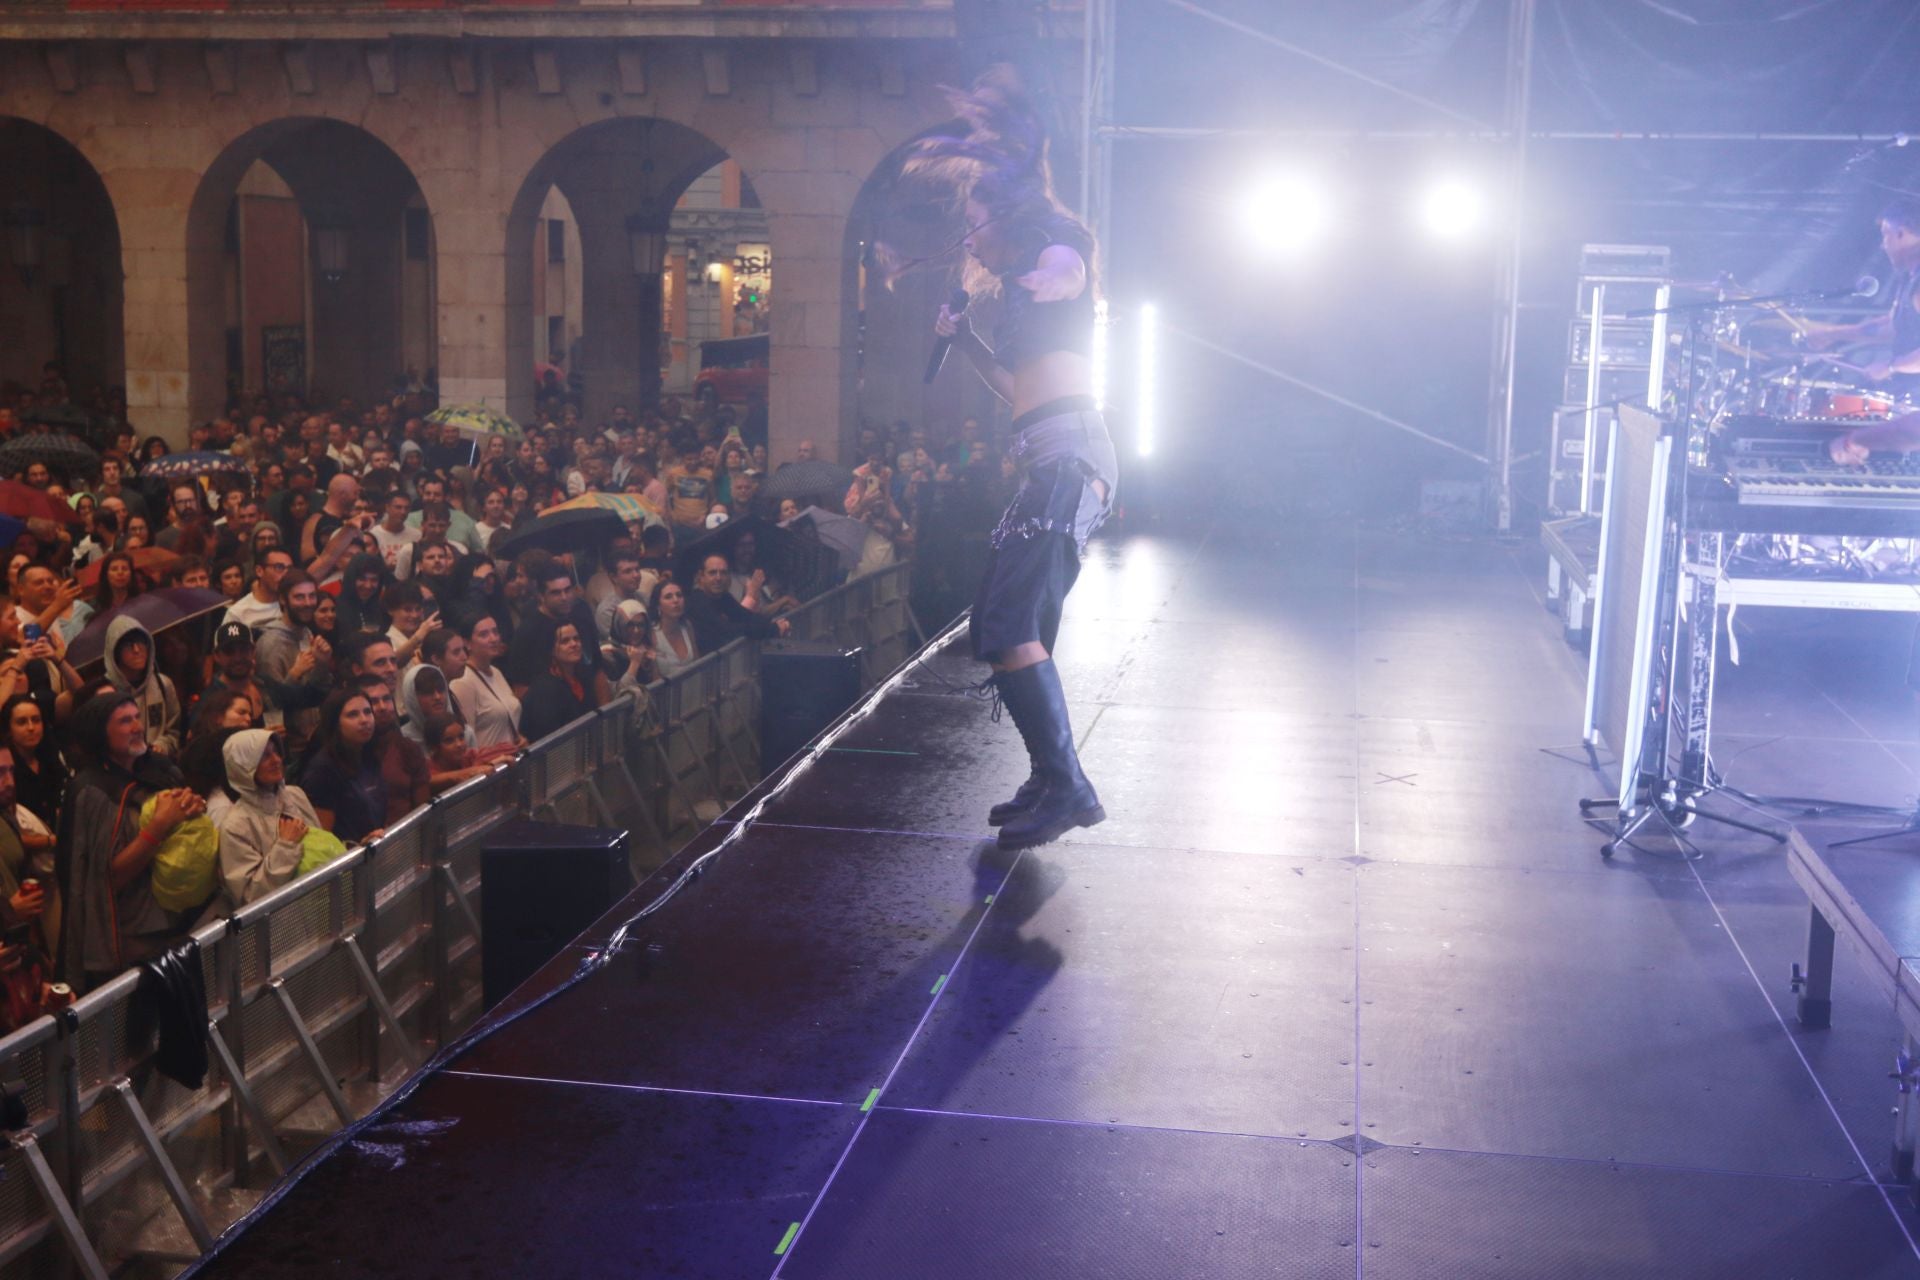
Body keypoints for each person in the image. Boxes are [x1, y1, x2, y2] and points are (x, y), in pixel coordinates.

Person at [917, 64, 1116, 849]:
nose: (970, 233)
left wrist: (1042, 277)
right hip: (1048, 456)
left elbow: (1065, 274)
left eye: (975, 216)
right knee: (1007, 621)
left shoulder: (1060, 247)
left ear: (1002, 212)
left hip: (1071, 457)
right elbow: (1015, 387)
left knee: (1007, 619)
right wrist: (963, 338)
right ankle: (1048, 776)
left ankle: (1068, 787)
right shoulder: (1009, 298)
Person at [56, 691, 205, 988]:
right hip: (134, 931)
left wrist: (192, 807)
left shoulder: (161, 770)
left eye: (137, 717)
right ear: (101, 733)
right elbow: (105, 879)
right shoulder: (91, 791)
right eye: (125, 721)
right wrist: (160, 825)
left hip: (185, 914)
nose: (137, 726)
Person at [209, 729, 319, 908]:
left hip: (319, 907)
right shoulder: (236, 825)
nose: (276, 760)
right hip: (283, 928)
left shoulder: (295, 796)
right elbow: (250, 898)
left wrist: (353, 848)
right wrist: (285, 847)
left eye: (276, 752)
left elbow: (322, 851)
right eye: (264, 755)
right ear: (243, 766)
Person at [296, 689, 384, 844]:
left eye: (368, 712)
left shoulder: (370, 754)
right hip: (347, 861)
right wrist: (358, 848)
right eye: (353, 715)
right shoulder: (322, 771)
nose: (364, 720)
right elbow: (323, 840)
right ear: (335, 723)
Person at [102, 617, 183, 758]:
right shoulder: (106, 692)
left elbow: (174, 732)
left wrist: (162, 746)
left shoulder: (163, 684)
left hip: (157, 765)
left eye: (141, 642)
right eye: (128, 645)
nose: (137, 649)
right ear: (115, 651)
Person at [686, 552, 788, 652]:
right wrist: (772, 629)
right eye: (712, 573)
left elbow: (745, 616)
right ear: (701, 576)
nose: (718, 578)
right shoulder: (697, 601)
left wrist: (772, 624)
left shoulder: (722, 596)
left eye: (723, 573)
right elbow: (727, 631)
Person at [518, 619, 600, 742]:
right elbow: (547, 740)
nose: (574, 644)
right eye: (565, 641)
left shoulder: (582, 678)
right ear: (551, 649)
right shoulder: (545, 689)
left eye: (576, 638)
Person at [451, 614, 523, 753]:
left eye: (495, 632)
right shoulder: (463, 681)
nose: (494, 639)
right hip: (489, 766)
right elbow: (467, 740)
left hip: (512, 759)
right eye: (484, 635)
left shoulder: (496, 672)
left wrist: (519, 738)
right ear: (467, 643)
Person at [647, 579, 700, 679]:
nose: (676, 600)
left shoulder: (687, 626)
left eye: (679, 595)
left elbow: (698, 663)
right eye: (668, 597)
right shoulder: (652, 633)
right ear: (658, 605)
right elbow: (654, 677)